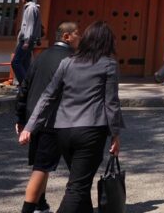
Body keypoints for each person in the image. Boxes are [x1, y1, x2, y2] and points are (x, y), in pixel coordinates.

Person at [20, 20, 124, 213]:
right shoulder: (108, 64)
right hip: (91, 130)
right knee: (77, 187)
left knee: (80, 182)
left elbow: (48, 96)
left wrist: (29, 126)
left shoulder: (67, 63)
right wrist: (115, 135)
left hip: (63, 130)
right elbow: (111, 103)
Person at [15, 21, 80, 213]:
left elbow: (24, 86)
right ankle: (28, 209)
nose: (80, 37)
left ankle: (40, 204)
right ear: (66, 36)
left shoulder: (42, 56)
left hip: (33, 117)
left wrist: (20, 117)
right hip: (54, 118)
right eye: (77, 33)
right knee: (42, 166)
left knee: (41, 163)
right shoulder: (72, 59)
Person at [11, 0, 41, 86]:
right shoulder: (33, 8)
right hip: (29, 39)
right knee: (25, 63)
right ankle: (29, 83)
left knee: (16, 62)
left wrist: (27, 41)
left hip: (26, 40)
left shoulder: (30, 9)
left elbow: (30, 25)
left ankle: (25, 85)